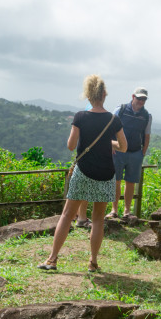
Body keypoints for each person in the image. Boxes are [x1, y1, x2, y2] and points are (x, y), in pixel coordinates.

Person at [39, 75, 126, 273]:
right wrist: (108, 143)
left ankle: (52, 259)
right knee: (98, 219)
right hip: (106, 173)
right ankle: (93, 262)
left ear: (88, 95)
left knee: (68, 214)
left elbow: (71, 146)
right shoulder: (114, 119)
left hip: (83, 171)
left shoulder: (80, 117)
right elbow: (123, 146)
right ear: (104, 94)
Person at [110, 87, 151, 220]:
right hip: (117, 151)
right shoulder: (120, 109)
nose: (141, 101)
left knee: (130, 182)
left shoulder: (147, 116)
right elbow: (109, 127)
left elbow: (147, 135)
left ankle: (127, 212)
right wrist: (110, 145)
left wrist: (142, 152)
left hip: (135, 152)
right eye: (139, 98)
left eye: (144, 99)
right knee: (116, 181)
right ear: (133, 96)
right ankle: (114, 210)